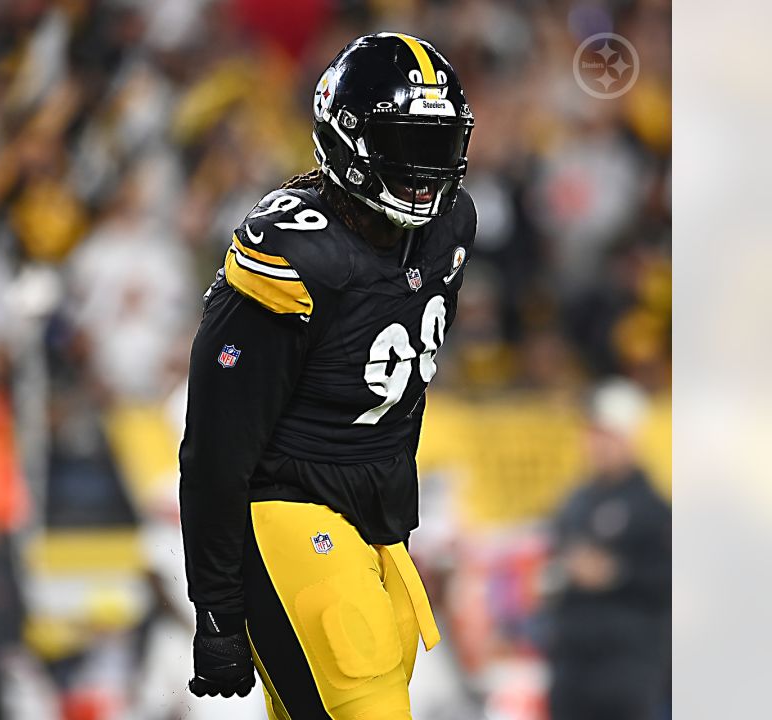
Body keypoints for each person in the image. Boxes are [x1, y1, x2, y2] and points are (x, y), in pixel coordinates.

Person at [178, 33, 477, 719]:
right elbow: (216, 450)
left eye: (437, 145)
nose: (423, 171)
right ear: (347, 140)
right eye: (403, 144)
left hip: (379, 528)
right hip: (289, 511)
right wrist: (217, 611)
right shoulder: (294, 256)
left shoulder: (451, 228)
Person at [546, 379, 671, 720]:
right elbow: (553, 561)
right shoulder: (575, 503)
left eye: (607, 435)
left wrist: (616, 573)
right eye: (593, 433)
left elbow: (670, 580)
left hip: (626, 663)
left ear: (630, 439)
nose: (597, 444)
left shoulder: (653, 509)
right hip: (571, 660)